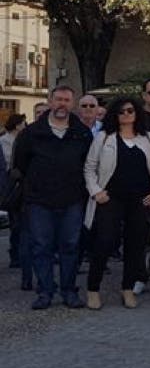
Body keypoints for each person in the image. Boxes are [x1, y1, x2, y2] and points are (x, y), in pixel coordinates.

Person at [14, 86, 93, 310]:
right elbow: (22, 164)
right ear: (50, 101)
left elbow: (88, 164)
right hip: (40, 200)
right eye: (58, 99)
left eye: (67, 100)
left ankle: (69, 290)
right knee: (41, 247)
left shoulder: (81, 133)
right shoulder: (31, 133)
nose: (62, 104)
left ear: (73, 104)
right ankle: (45, 292)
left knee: (70, 246)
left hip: (72, 199)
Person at [83, 96, 150, 310]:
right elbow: (90, 168)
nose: (126, 114)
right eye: (121, 111)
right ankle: (93, 289)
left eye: (130, 110)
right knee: (104, 242)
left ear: (137, 112)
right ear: (114, 115)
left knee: (135, 245)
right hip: (111, 198)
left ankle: (127, 288)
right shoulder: (104, 137)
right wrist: (96, 191)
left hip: (140, 200)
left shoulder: (148, 138)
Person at [1, 113, 31, 289]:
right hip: (13, 186)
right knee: (16, 223)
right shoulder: (5, 141)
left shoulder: (21, 139)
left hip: (18, 185)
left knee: (19, 224)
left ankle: (17, 255)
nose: (25, 125)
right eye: (22, 123)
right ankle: (15, 255)